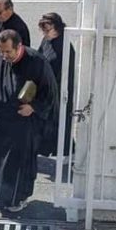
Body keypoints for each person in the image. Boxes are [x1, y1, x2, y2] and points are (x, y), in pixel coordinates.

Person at [0, 29, 58, 214]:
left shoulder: (37, 62)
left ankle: (16, 198)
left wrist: (33, 107)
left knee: (16, 164)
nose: (4, 55)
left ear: (19, 47)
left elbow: (50, 92)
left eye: (8, 51)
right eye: (1, 51)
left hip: (20, 121)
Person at [36, 12, 76, 158]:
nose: (45, 33)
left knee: (59, 121)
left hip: (58, 89)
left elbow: (64, 70)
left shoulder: (64, 46)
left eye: (47, 29)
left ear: (57, 28)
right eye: (43, 30)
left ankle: (66, 151)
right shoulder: (47, 41)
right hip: (47, 86)